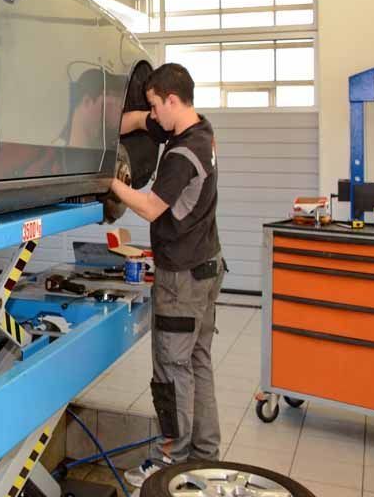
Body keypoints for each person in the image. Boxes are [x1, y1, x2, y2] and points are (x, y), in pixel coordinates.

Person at [107, 63, 224, 491]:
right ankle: (205, 454)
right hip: (208, 266)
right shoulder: (199, 128)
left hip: (182, 278)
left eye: (156, 105)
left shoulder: (181, 155)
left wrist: (109, 180)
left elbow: (150, 208)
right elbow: (134, 123)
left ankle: (170, 458)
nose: (153, 114)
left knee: (172, 369)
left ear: (173, 100)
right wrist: (131, 121)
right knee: (198, 362)